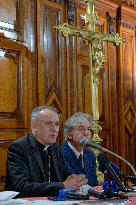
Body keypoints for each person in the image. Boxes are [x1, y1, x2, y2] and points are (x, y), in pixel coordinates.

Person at [4, 106, 87, 198]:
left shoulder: (55, 148)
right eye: (48, 123)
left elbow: (66, 175)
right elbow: (21, 186)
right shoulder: (19, 148)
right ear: (34, 126)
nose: (54, 129)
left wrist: (76, 180)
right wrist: (63, 186)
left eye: (57, 124)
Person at [61, 112, 98, 187]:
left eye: (88, 129)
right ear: (69, 134)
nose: (86, 133)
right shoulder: (60, 154)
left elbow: (94, 183)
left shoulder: (90, 155)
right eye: (81, 129)